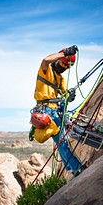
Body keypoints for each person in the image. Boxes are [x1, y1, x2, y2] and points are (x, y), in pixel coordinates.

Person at [31, 45, 86, 176]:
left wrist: (70, 96)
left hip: (55, 111)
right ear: (58, 60)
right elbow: (45, 60)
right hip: (46, 111)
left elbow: (65, 93)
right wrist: (65, 54)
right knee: (62, 141)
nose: (64, 68)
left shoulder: (60, 78)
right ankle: (77, 169)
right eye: (63, 64)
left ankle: (74, 168)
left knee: (63, 141)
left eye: (66, 67)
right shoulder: (46, 70)